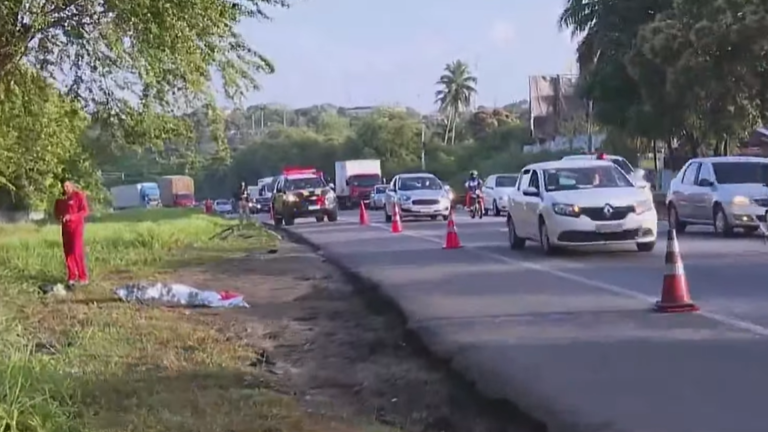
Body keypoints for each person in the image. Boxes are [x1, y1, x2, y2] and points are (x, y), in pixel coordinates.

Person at [54, 179, 89, 287]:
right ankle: (72, 276)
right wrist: (59, 217)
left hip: (76, 228)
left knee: (77, 251)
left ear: (72, 186)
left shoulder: (78, 196)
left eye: (67, 186)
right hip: (65, 229)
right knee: (68, 252)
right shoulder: (60, 199)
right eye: (64, 187)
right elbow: (56, 212)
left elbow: (85, 211)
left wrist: (72, 217)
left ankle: (83, 277)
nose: (65, 189)